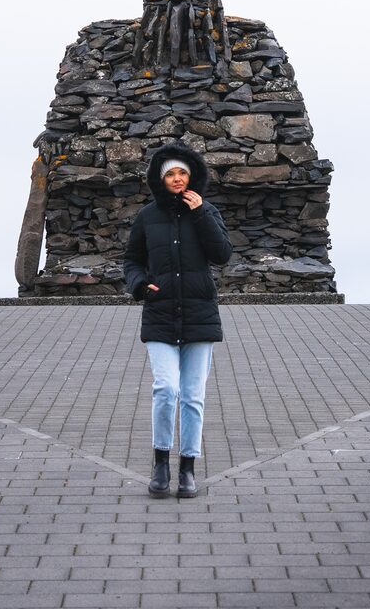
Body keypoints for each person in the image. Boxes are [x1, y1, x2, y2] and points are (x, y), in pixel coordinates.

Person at [123, 143, 233, 498]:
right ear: (160, 178)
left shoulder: (207, 210)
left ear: (192, 175)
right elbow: (132, 261)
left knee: (192, 396)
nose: (176, 179)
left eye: (182, 172)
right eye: (170, 173)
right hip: (160, 311)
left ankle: (188, 469)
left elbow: (221, 255)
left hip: (200, 314)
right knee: (166, 389)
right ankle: (160, 464)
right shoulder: (147, 216)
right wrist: (141, 286)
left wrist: (201, 213)